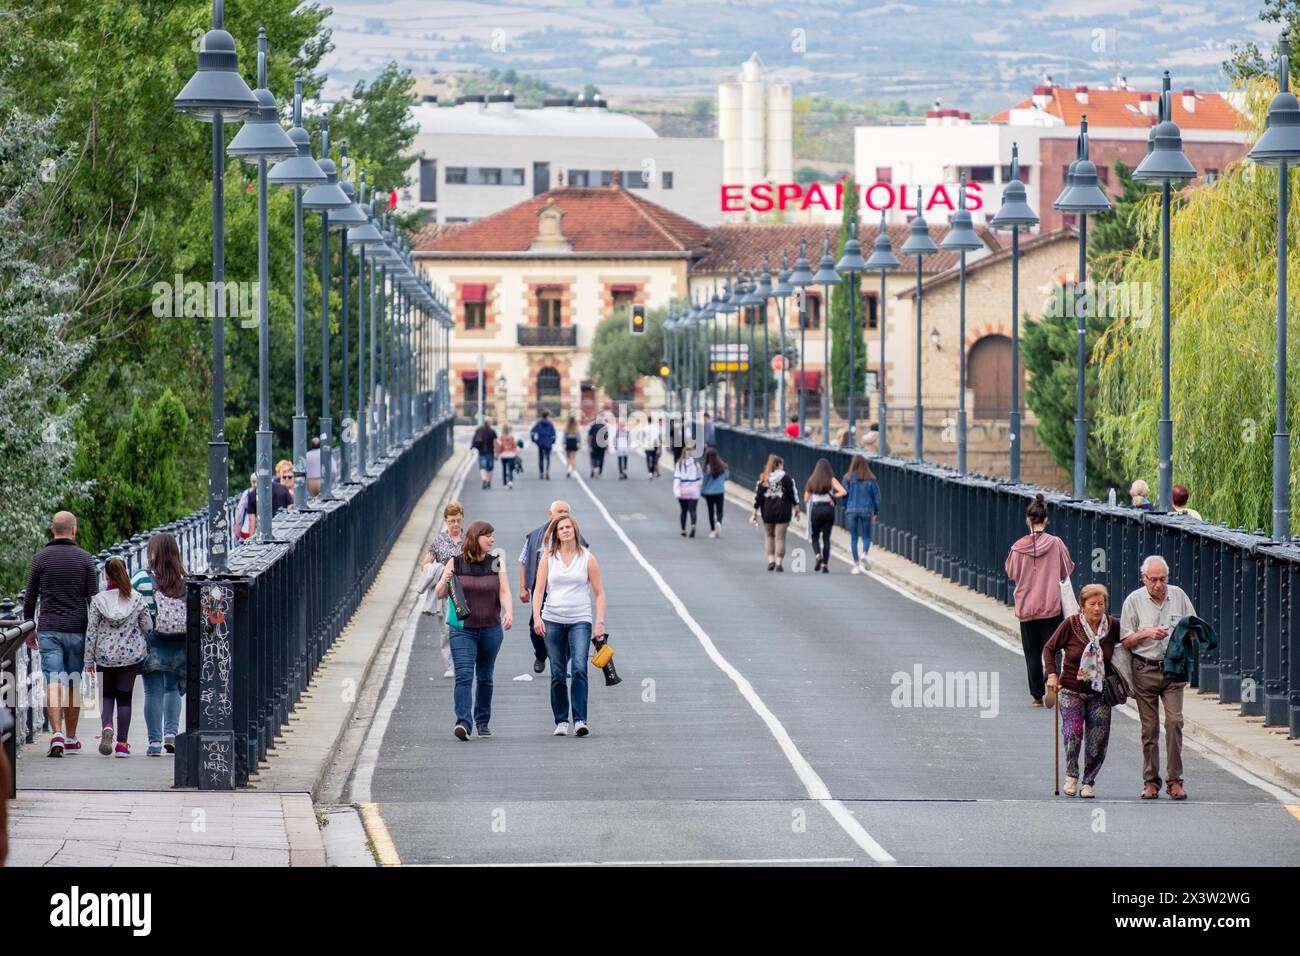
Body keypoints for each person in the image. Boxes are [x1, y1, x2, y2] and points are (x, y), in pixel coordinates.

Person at [1120, 555, 1197, 800]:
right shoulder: (1133, 600)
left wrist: (1184, 636)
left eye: (1162, 579)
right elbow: (1126, 640)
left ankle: (1175, 780)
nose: (1158, 585)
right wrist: (1147, 634)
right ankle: (1151, 781)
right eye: (1152, 579)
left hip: (1173, 668)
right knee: (1149, 728)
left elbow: (1194, 628)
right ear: (1143, 578)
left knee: (1174, 722)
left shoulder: (1179, 596)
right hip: (1145, 668)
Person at [23, 511, 97, 757]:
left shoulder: (40, 559)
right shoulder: (86, 559)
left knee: (54, 679)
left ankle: (55, 733)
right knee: (74, 683)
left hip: (49, 628)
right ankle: (71, 737)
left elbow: (30, 598)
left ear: (52, 530)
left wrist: (28, 628)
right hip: (78, 629)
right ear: (74, 530)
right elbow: (93, 601)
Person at [435, 520, 512, 740]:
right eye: (488, 536)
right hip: (463, 630)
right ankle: (463, 723)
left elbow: (504, 591)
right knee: (464, 675)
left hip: (490, 629)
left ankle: (482, 721)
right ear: (475, 537)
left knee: (485, 676)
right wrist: (445, 581)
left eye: (493, 536)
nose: (492, 540)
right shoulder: (456, 563)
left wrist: (509, 612)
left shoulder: (496, 562)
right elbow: (440, 593)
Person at [532, 513, 606, 737]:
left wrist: (599, 621)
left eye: (568, 527)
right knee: (557, 672)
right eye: (561, 528)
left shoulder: (587, 558)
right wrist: (537, 616)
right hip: (552, 618)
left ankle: (580, 719)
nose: (565, 531)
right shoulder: (548, 558)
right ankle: (561, 720)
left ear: (575, 530)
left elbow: (600, 593)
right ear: (556, 533)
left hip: (579, 619)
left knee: (580, 668)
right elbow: (538, 590)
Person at [1044, 583, 1119, 798]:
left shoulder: (1112, 626)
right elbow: (1049, 648)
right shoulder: (1071, 624)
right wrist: (1051, 674)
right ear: (1082, 606)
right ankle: (1071, 775)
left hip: (1100, 692)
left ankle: (1088, 781)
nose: (1097, 608)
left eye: (1101, 604)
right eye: (1092, 604)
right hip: (1070, 688)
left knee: (1097, 738)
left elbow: (1128, 642)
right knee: (1073, 733)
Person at [1003, 493, 1075, 707]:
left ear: (1028, 520)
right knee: (1052, 648)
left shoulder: (1017, 548)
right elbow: (1066, 570)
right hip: (1051, 605)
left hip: (1026, 606)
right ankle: (1052, 680)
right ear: (1047, 519)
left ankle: (1036, 694)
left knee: (1031, 652)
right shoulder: (1056, 543)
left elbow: (1011, 572)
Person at [85, 558, 152, 758]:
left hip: (104, 656)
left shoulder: (98, 600)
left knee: (106, 695)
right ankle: (122, 744)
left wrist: (88, 660)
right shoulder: (137, 598)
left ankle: (107, 727)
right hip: (129, 657)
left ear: (106, 575)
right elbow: (148, 626)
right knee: (124, 699)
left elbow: (91, 632)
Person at [132, 533, 188, 756]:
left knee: (152, 691)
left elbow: (130, 606)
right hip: (178, 641)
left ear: (153, 553)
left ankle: (154, 743)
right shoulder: (186, 580)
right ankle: (171, 736)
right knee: (172, 688)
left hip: (152, 641)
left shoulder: (142, 579)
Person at [518, 500, 590, 674]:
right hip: (541, 588)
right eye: (559, 511)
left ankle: (561, 663)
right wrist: (523, 587)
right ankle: (541, 655)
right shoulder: (535, 536)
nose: (563, 514)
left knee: (568, 629)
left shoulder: (577, 537)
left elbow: (586, 563)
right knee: (535, 627)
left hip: (567, 591)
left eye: (566, 511)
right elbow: (523, 561)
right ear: (550, 514)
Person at [421, 502, 466, 679]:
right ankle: (450, 664)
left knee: (465, 628)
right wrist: (439, 571)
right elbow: (425, 564)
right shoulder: (439, 541)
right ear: (445, 521)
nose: (455, 525)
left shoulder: (469, 539)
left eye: (458, 520)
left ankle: (464, 661)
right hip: (445, 591)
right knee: (446, 629)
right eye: (451, 521)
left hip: (465, 591)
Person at [750, 454, 801, 572]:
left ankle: (771, 561)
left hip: (767, 513)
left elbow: (757, 499)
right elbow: (793, 495)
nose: (783, 467)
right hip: (783, 513)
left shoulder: (764, 479)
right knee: (780, 538)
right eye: (782, 464)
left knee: (769, 536)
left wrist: (754, 513)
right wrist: (797, 509)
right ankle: (779, 563)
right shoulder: (787, 479)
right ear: (778, 465)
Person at [804, 457, 847, 574]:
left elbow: (806, 498)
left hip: (816, 509)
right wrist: (833, 497)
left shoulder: (812, 480)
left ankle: (818, 555)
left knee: (815, 536)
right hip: (828, 509)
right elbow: (843, 491)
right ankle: (825, 565)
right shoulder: (831, 480)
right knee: (826, 538)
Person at [843, 455, 881, 573]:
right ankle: (864, 553)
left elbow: (844, 494)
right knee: (866, 536)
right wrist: (875, 511)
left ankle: (856, 565)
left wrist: (846, 507)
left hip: (852, 510)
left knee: (854, 537)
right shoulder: (871, 479)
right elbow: (877, 497)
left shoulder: (847, 478)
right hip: (866, 510)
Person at [247, 465, 293, 537]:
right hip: (282, 528)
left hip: (263, 531)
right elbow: (290, 508)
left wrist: (251, 538)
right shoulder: (283, 488)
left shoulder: (252, 494)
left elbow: (252, 520)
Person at [673, 445, 704, 537]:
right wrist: (697, 485)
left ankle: (683, 529)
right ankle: (693, 526)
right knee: (693, 510)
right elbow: (700, 478)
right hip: (693, 489)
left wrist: (676, 491)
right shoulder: (696, 464)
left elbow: (677, 479)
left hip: (683, 490)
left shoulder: (679, 464)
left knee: (683, 510)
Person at [701, 447, 730, 538]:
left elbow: (704, 481)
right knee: (719, 509)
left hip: (709, 492)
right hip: (719, 491)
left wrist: (702, 491)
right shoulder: (722, 466)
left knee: (710, 510)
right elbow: (726, 477)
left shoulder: (706, 468)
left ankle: (713, 529)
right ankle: (719, 522)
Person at [471, 418, 498, 490]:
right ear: (490, 423)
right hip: (490, 452)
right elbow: (495, 443)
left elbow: (474, 440)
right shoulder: (492, 432)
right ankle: (488, 481)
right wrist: (496, 453)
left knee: (482, 467)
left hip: (481, 451)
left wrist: (473, 448)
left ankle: (484, 480)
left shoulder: (479, 430)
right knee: (490, 468)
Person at [531, 410, 556, 480]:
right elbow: (553, 434)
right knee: (548, 458)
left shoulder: (539, 423)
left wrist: (534, 440)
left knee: (541, 458)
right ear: (547, 416)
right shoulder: (550, 424)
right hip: (548, 442)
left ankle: (541, 472)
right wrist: (553, 441)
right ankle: (547, 471)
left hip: (541, 442)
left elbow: (532, 431)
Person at [496, 423, 519, 489]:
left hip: (503, 455)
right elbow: (515, 446)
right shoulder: (512, 437)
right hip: (511, 455)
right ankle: (510, 481)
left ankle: (504, 483)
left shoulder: (500, 437)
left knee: (504, 469)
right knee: (510, 469)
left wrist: (497, 454)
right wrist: (515, 452)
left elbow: (499, 447)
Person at [234, 473, 256, 541]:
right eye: (254, 482)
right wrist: (237, 528)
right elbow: (240, 512)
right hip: (248, 528)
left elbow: (239, 511)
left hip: (249, 529)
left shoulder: (247, 493)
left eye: (256, 482)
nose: (255, 484)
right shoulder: (247, 494)